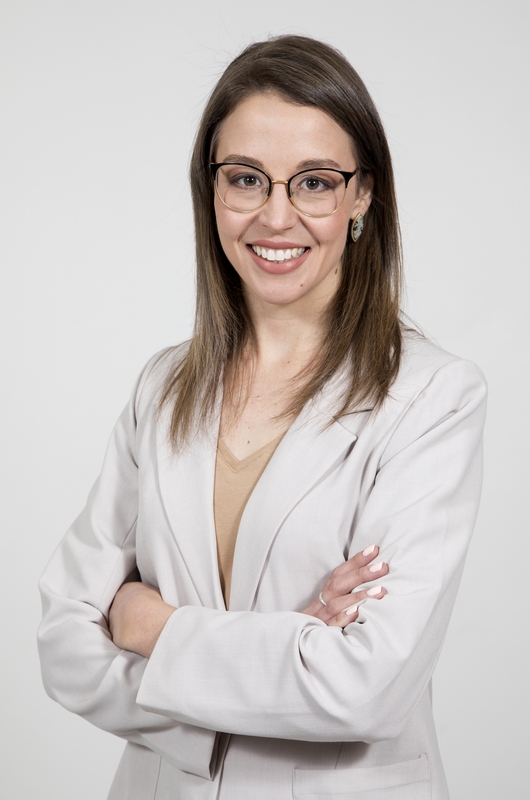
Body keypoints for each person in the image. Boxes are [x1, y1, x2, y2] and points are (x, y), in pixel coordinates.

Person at [38, 35, 486, 800]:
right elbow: (63, 648)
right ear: (209, 189)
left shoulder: (432, 397)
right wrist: (288, 646)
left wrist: (152, 627)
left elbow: (367, 687)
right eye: (245, 178)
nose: (276, 217)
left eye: (313, 182)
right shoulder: (162, 387)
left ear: (362, 195)